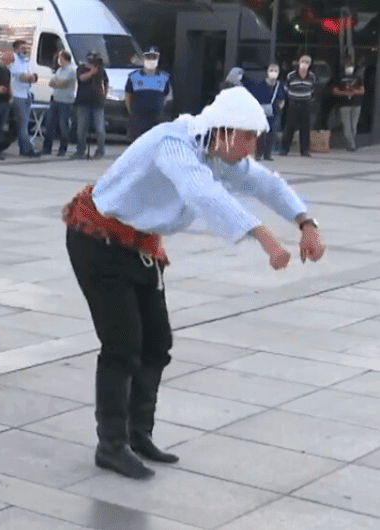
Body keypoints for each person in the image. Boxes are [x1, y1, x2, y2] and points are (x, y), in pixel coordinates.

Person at [63, 86, 326, 480]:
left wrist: (305, 223)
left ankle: (139, 435)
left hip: (140, 247)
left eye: (256, 137)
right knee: (123, 345)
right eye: (248, 137)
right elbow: (199, 191)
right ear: (222, 130)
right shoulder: (173, 142)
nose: (252, 147)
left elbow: (266, 183)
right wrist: (264, 236)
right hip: (97, 241)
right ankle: (111, 446)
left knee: (156, 343)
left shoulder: (220, 153)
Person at [125, 46, 173, 140]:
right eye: (148, 57)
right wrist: (132, 113)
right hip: (139, 118)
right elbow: (127, 96)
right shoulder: (134, 76)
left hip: (156, 118)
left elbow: (168, 96)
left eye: (154, 57)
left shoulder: (164, 78)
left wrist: (160, 109)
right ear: (144, 59)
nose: (151, 60)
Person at [70, 50, 109, 160]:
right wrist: (92, 72)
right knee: (81, 129)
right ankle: (80, 150)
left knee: (100, 129)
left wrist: (104, 94)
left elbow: (106, 81)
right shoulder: (81, 68)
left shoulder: (101, 70)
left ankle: (100, 150)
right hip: (83, 102)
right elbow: (81, 78)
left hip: (97, 103)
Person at [248, 63, 286, 160]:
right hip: (262, 112)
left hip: (274, 113)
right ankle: (258, 154)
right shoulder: (260, 84)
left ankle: (267, 154)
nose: (273, 73)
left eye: (275, 71)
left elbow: (282, 98)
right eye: (271, 70)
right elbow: (255, 97)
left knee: (272, 133)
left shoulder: (279, 85)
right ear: (267, 72)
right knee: (261, 133)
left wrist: (280, 107)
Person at [9, 40, 40, 157]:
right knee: (23, 124)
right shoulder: (14, 60)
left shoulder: (26, 61)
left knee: (25, 123)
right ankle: (28, 150)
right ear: (16, 49)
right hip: (18, 95)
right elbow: (20, 76)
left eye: (26, 48)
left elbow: (33, 75)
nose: (25, 50)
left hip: (27, 94)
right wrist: (29, 78)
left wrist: (32, 77)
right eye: (22, 48)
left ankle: (23, 149)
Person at [42, 50, 76, 156]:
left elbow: (63, 84)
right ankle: (47, 148)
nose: (58, 60)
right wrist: (56, 84)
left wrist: (57, 84)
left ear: (64, 58)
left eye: (59, 58)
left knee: (63, 126)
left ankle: (63, 148)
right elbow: (51, 82)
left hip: (65, 102)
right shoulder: (60, 70)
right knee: (50, 124)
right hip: (56, 99)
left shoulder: (71, 70)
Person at [281, 54, 316, 157]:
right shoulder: (291, 75)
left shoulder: (312, 76)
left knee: (305, 128)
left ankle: (305, 150)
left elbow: (313, 90)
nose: (304, 64)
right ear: (299, 63)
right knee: (289, 127)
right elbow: (286, 88)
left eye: (307, 62)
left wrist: (309, 98)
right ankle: (284, 149)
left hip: (305, 103)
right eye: (303, 61)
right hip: (293, 103)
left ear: (309, 65)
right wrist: (290, 98)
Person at [331, 58, 365, 152]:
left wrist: (351, 91)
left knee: (353, 126)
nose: (349, 68)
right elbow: (335, 91)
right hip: (344, 105)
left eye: (351, 66)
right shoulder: (339, 78)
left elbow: (362, 90)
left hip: (356, 104)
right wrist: (347, 92)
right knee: (347, 126)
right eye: (347, 66)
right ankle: (352, 145)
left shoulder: (357, 78)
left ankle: (350, 144)